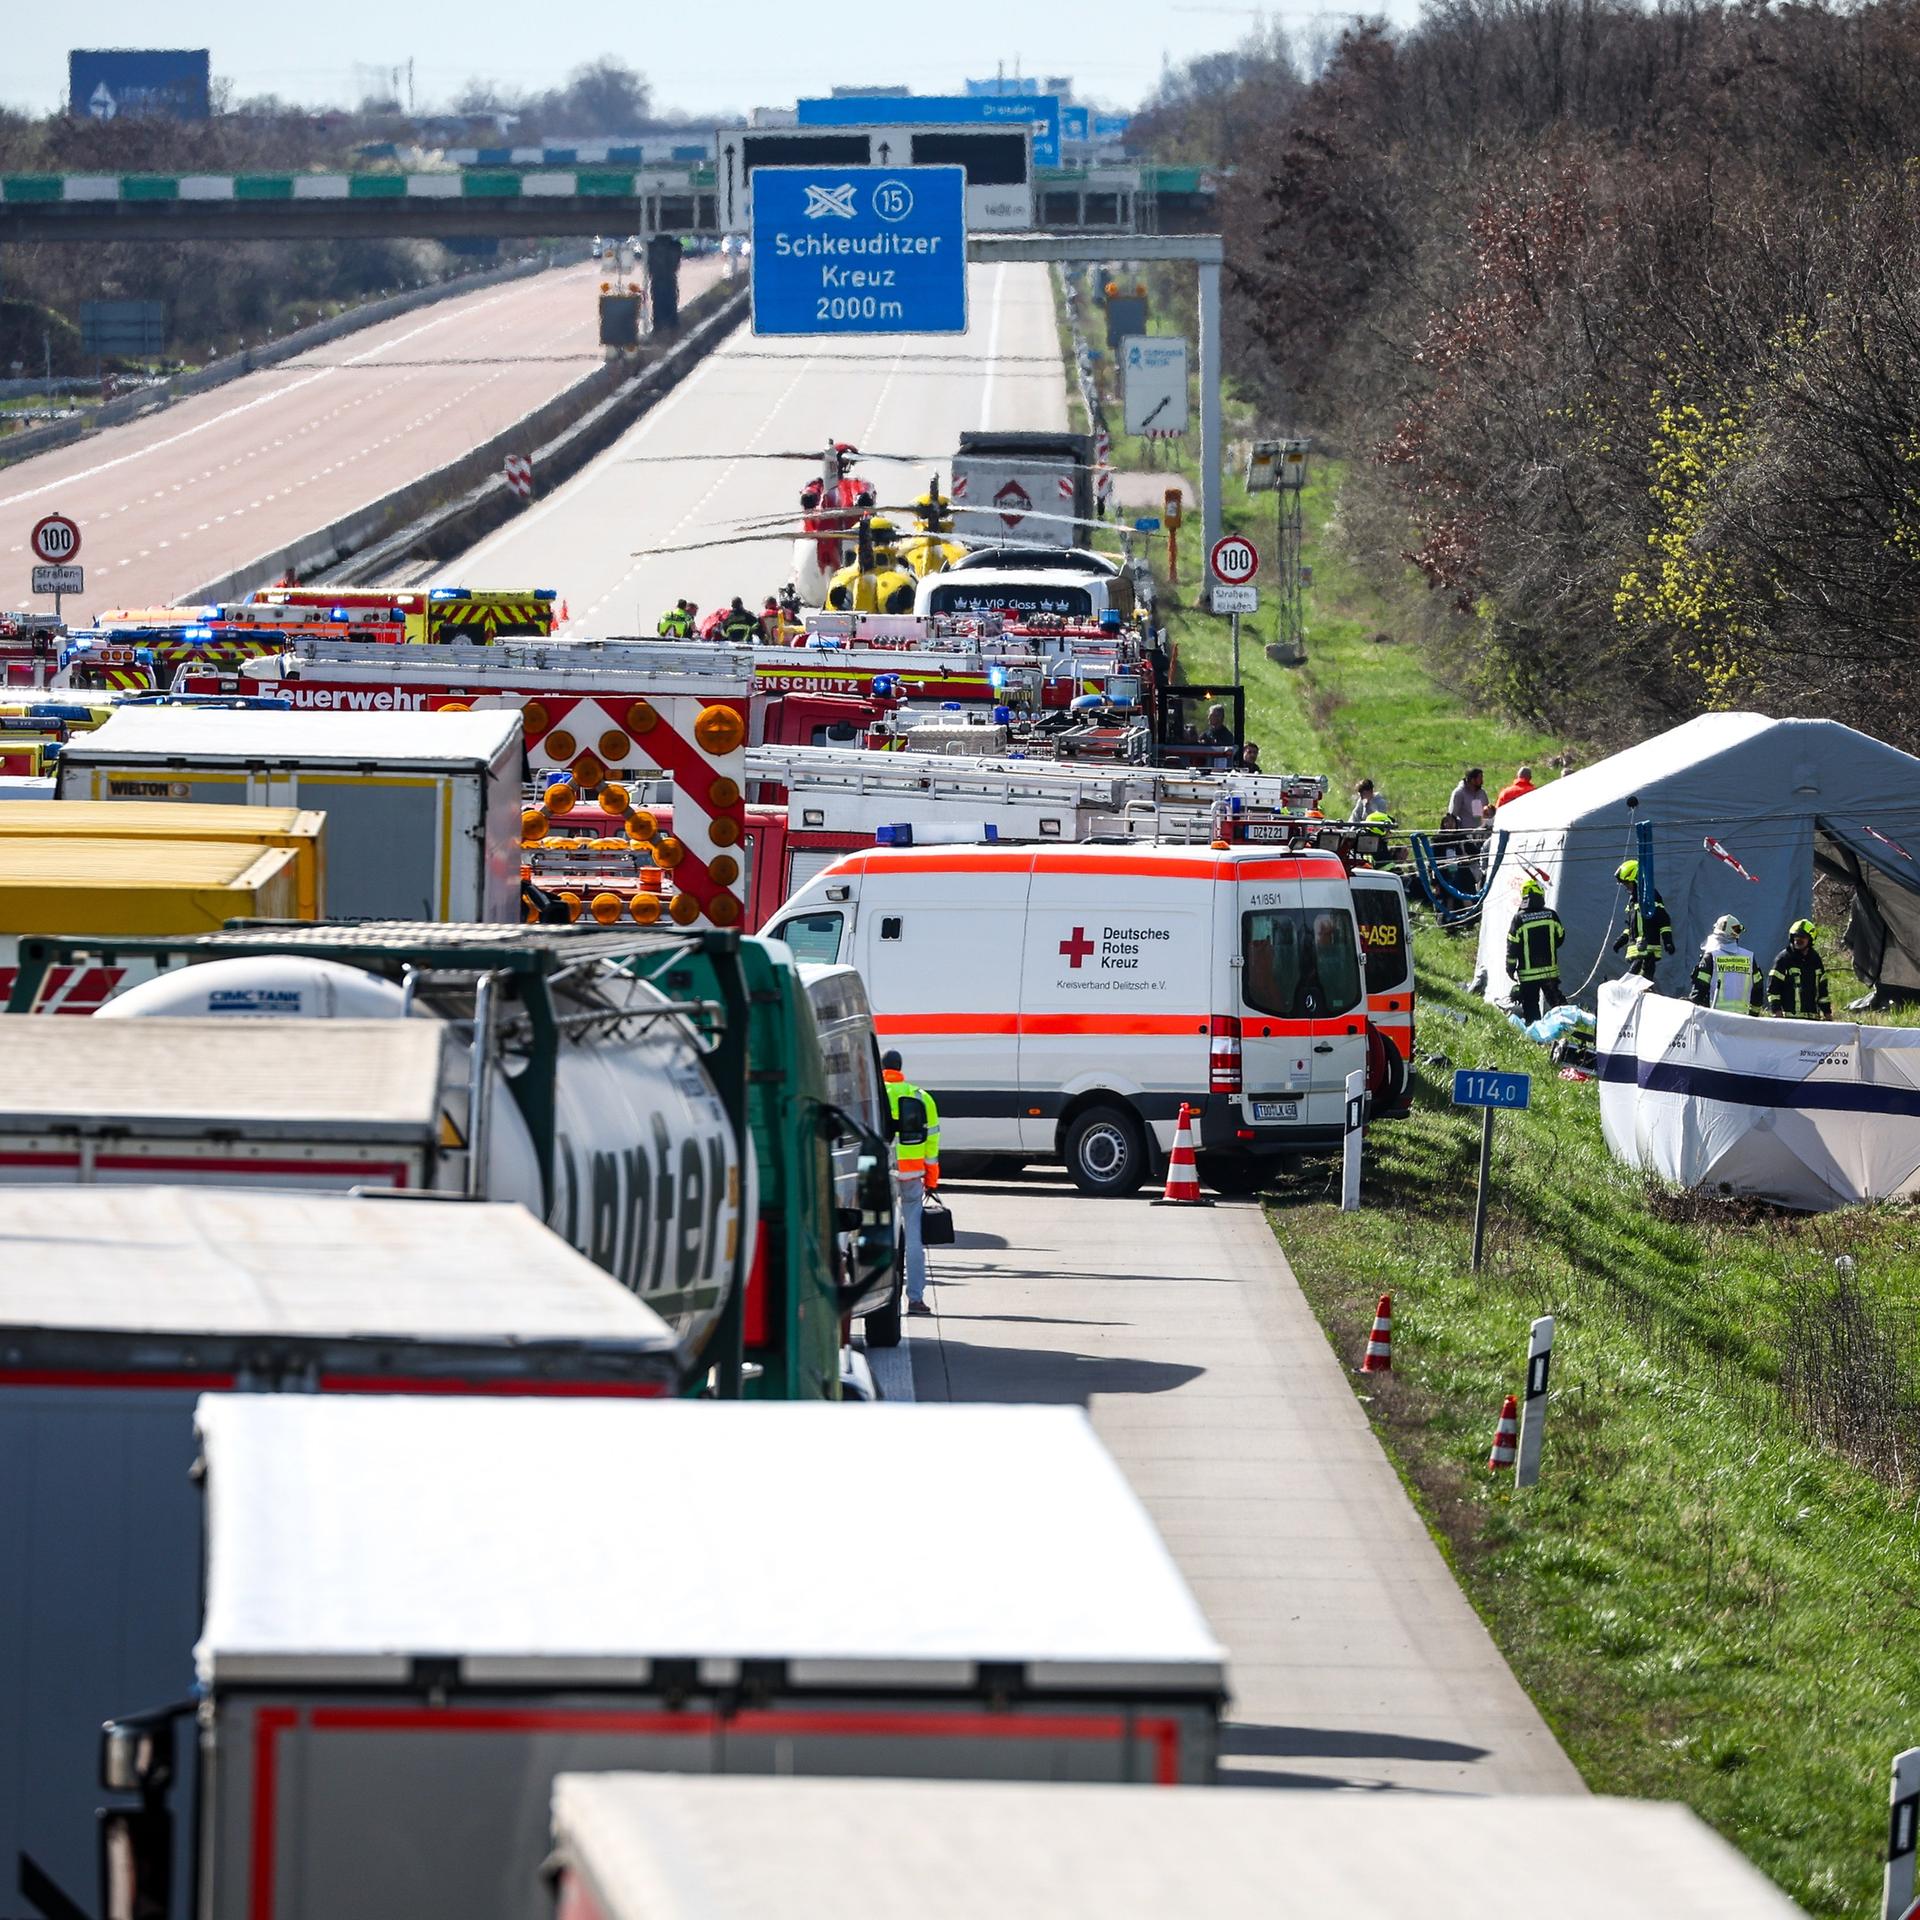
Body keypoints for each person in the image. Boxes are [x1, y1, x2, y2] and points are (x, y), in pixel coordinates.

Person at [882, 1049, 941, 1318]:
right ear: (900, 1067)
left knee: (876, 1236)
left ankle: (877, 1297)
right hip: (912, 1176)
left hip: (878, 1176)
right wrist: (931, 1180)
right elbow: (932, 1146)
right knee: (914, 1239)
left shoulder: (871, 1092)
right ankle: (915, 1300)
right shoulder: (921, 1097)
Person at [1506, 877, 1566, 1022]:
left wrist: (1510, 967)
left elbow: (1512, 947)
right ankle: (1569, 1027)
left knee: (1531, 1004)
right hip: (1549, 971)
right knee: (1556, 1001)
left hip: (1528, 975)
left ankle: (1537, 1037)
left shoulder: (1519, 919)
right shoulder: (1551, 915)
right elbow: (1560, 937)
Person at [1611, 859, 1675, 981]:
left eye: (1627, 883)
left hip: (1649, 949)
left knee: (1639, 979)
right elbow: (1631, 926)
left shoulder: (1651, 897)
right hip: (1635, 949)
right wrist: (1622, 940)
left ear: (1636, 879)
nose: (1626, 887)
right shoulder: (1632, 900)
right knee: (1637, 980)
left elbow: (1663, 920)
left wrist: (1668, 940)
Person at [1767, 918, 1833, 1020]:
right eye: (1795, 936)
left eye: (1802, 937)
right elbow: (1773, 989)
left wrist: (1827, 1013)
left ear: (1811, 939)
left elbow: (1822, 990)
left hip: (1812, 1020)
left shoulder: (1815, 960)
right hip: (1789, 1020)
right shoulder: (1783, 959)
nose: (1798, 940)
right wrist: (1777, 1011)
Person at [1690, 913, 1758, 1012]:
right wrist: (1754, 1015)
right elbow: (1758, 988)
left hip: (1716, 1020)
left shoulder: (1711, 957)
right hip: (1743, 1020)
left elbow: (1700, 990)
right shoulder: (1749, 957)